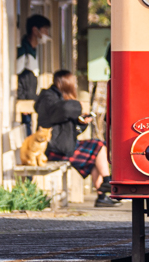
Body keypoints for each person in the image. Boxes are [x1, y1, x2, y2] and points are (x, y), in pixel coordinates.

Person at [35, 70, 119, 207]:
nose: (74, 84)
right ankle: (105, 184)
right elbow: (65, 111)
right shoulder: (48, 97)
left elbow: (69, 123)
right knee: (97, 147)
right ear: (63, 83)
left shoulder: (60, 97)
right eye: (72, 82)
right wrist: (79, 106)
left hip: (64, 144)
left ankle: (102, 193)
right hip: (53, 147)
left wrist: (81, 122)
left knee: (97, 151)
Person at [15, 14, 51, 136]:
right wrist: (23, 99)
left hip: (30, 100)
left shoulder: (34, 50)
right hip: (24, 102)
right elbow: (18, 77)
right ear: (35, 30)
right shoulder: (22, 51)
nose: (47, 34)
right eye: (45, 30)